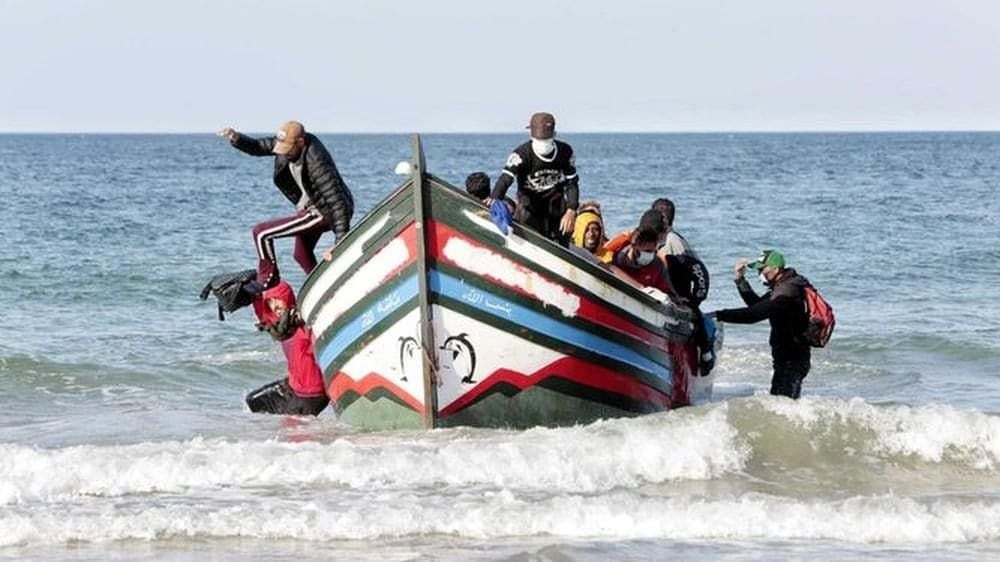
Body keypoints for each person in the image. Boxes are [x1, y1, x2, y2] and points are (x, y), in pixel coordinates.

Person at [219, 121, 354, 288]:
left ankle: (267, 280)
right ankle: (325, 286)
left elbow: (337, 202)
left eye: (288, 150)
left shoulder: (317, 161)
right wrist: (236, 138)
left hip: (324, 212)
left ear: (301, 142)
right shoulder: (286, 144)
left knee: (261, 232)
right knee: (301, 254)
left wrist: (340, 243)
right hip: (310, 207)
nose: (284, 154)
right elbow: (259, 146)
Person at [711, 250, 811, 398]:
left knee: (784, 404)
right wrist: (740, 279)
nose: (760, 273)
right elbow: (756, 305)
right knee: (780, 403)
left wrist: (719, 314)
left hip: (793, 358)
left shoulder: (786, 291)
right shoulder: (781, 286)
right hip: (785, 356)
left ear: (776, 269)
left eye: (762, 269)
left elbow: (754, 315)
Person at [488, 112, 579, 244]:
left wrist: (571, 210)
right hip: (530, 211)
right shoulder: (521, 154)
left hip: (557, 211)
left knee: (562, 243)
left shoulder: (565, 151)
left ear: (554, 135)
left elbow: (572, 182)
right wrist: (495, 199)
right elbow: (506, 179)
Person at [244, 281, 329, 416]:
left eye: (278, 299)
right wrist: (251, 289)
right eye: (270, 301)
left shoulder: (303, 322)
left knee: (292, 429)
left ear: (287, 298)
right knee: (253, 402)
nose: (275, 305)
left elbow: (325, 340)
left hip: (311, 395)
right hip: (292, 386)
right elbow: (263, 315)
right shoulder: (280, 326)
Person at [611, 210, 673, 294]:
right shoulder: (617, 250)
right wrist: (640, 288)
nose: (651, 254)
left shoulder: (658, 264)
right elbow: (601, 263)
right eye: (647, 251)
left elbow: (665, 290)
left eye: (653, 251)